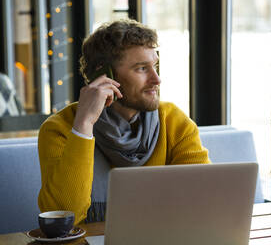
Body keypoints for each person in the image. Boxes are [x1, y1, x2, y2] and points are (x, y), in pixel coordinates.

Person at [37, 19, 211, 225]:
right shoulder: (59, 129)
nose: (157, 79)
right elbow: (63, 215)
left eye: (154, 66)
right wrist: (83, 126)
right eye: (141, 69)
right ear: (104, 75)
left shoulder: (174, 121)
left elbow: (204, 200)